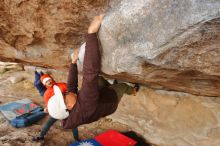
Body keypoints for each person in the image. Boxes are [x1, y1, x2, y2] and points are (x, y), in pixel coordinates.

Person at [47, 14, 140, 129]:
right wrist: (91, 33)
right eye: (64, 95)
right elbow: (90, 73)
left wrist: (73, 63)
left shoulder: (71, 103)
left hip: (96, 100)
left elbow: (71, 87)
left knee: (100, 80)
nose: (66, 91)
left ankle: (108, 86)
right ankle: (133, 91)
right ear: (70, 106)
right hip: (109, 102)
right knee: (122, 86)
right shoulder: (85, 105)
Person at [33, 71, 79, 141]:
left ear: (51, 79)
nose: (49, 82)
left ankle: (77, 139)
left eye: (49, 80)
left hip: (68, 109)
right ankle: (41, 136)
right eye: (46, 82)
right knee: (48, 124)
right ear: (44, 84)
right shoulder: (47, 94)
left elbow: (71, 93)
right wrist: (47, 108)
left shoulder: (62, 85)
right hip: (57, 111)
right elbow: (48, 104)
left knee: (74, 124)